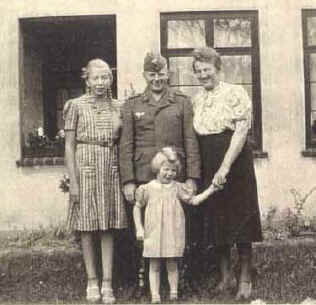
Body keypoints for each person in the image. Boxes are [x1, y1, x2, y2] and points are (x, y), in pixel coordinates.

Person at [119, 52, 201, 296]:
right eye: (152, 74)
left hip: (174, 176)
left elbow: (191, 141)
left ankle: (181, 280)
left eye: (161, 73)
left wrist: (192, 177)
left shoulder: (182, 102)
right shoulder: (132, 104)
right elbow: (126, 145)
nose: (157, 79)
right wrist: (128, 181)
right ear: (145, 75)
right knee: (144, 231)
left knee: (178, 228)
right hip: (144, 176)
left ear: (168, 73)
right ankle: (142, 281)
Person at [191, 47, 263, 300]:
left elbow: (241, 132)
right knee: (216, 220)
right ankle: (225, 277)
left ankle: (245, 278)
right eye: (198, 71)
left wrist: (224, 167)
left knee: (240, 219)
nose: (203, 75)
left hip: (235, 161)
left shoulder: (235, 92)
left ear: (218, 69)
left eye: (207, 70)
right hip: (208, 160)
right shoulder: (196, 99)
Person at [64, 58, 128, 303]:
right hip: (85, 166)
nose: (100, 82)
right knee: (87, 226)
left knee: (107, 225)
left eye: (105, 77)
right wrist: (74, 182)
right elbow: (69, 147)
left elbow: (123, 140)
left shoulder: (118, 106)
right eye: (95, 78)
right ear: (87, 80)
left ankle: (107, 283)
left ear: (110, 79)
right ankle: (92, 280)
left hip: (110, 167)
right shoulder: (75, 106)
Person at [133, 147, 218, 304]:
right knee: (154, 264)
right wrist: (139, 228)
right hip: (154, 232)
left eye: (173, 170)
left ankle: (174, 293)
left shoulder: (178, 187)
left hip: (172, 231)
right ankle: (155, 296)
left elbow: (193, 200)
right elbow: (137, 207)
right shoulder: (148, 188)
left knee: (172, 263)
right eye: (166, 169)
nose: (169, 173)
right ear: (157, 168)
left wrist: (211, 189)